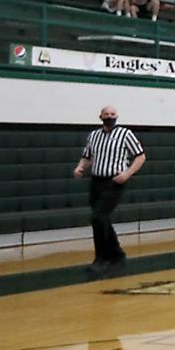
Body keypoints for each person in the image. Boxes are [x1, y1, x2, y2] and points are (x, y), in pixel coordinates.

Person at [72, 105, 146, 277]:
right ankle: (117, 254)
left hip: (114, 182)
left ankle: (102, 258)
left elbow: (141, 156)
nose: (110, 116)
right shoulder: (94, 135)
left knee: (98, 217)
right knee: (102, 219)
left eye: (112, 114)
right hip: (96, 181)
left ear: (117, 116)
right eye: (106, 114)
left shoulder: (125, 134)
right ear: (101, 117)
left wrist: (127, 173)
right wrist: (80, 167)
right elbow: (87, 157)